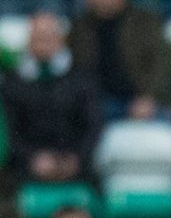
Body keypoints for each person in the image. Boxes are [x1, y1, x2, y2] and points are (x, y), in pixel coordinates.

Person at [1, 12, 102, 183]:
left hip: (76, 164)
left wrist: (76, 158)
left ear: (61, 40)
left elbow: (93, 125)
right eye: (38, 38)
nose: (43, 44)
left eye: (48, 38)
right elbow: (10, 131)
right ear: (29, 41)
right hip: (25, 167)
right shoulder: (13, 83)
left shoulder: (81, 78)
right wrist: (32, 158)